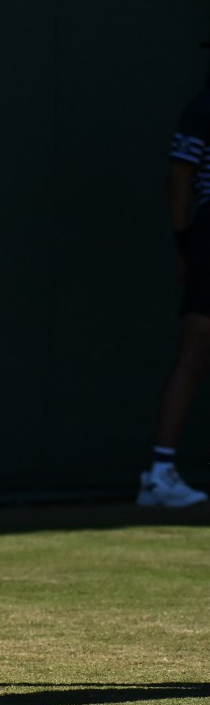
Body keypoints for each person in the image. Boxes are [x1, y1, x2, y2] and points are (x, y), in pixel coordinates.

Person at [139, 43, 210, 508]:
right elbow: (178, 178)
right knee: (197, 345)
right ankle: (160, 475)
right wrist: (185, 244)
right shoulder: (204, 109)